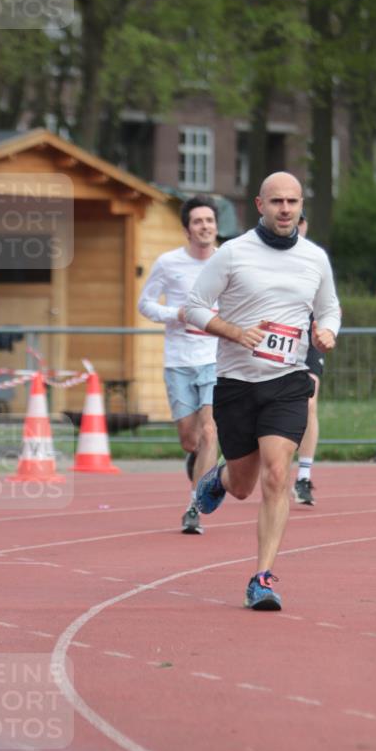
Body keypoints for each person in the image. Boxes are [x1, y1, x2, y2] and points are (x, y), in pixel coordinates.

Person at [186, 172, 341, 611]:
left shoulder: (314, 258)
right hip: (236, 383)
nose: (286, 209)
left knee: (277, 475)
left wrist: (327, 332)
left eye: (293, 201)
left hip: (288, 382)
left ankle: (262, 578)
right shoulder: (233, 254)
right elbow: (193, 307)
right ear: (260, 204)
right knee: (241, 485)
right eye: (277, 202)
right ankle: (217, 477)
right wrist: (234, 332)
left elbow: (329, 308)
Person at [138, 195, 219, 534]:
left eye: (210, 221)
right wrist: (176, 314)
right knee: (190, 438)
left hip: (215, 358)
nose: (205, 227)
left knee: (210, 430)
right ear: (187, 229)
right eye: (198, 221)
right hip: (178, 361)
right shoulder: (168, 263)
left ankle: (194, 507)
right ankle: (196, 458)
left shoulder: (227, 261)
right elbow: (145, 304)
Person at [293, 213, 323, 507]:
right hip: (273, 336)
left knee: (309, 401)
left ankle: (303, 476)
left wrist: (326, 329)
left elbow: (328, 302)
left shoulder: (314, 258)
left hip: (308, 337)